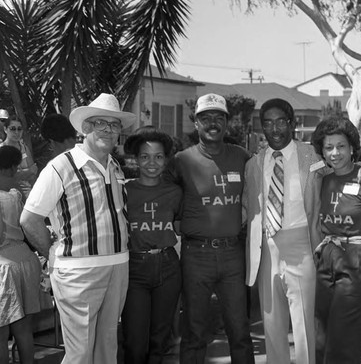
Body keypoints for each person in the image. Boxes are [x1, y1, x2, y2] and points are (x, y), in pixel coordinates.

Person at [243, 98, 361, 364]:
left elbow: (342, 165)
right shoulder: (253, 164)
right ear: (261, 127)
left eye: (281, 121)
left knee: (307, 326)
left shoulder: (313, 156)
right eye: (268, 123)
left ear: (292, 123)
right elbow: (247, 207)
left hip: (304, 246)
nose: (275, 128)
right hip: (267, 249)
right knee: (271, 324)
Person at [20, 93, 136, 364]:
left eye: (114, 125)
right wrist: (53, 253)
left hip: (118, 266)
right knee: (80, 353)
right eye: (100, 123)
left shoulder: (114, 165)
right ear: (85, 128)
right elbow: (29, 219)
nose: (108, 130)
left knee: (107, 348)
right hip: (77, 272)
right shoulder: (60, 166)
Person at [165, 93, 254, 363]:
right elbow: (163, 196)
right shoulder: (181, 160)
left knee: (239, 331)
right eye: (206, 118)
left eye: (219, 117)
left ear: (227, 123)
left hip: (233, 255)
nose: (212, 123)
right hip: (196, 256)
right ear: (196, 123)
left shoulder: (242, 156)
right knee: (194, 331)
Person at [310, 117, 361, 364]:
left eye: (341, 146)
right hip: (327, 256)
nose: (335, 153)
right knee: (321, 336)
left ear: (352, 147)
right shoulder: (323, 179)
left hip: (358, 258)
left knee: (345, 338)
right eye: (328, 147)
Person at [121, 128, 182, 364]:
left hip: (168, 267)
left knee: (160, 340)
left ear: (166, 160)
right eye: (145, 156)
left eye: (158, 156)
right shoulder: (123, 190)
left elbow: (180, 224)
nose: (151, 163)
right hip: (134, 268)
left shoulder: (175, 192)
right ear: (135, 159)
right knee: (135, 342)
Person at [0, 145, 41, 364]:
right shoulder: (15, 194)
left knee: (1, 334)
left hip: (5, 264)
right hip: (26, 258)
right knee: (24, 330)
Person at [0, 116, 38, 198]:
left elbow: (34, 171)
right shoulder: (1, 150)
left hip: (29, 193)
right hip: (7, 194)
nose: (16, 132)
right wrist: (27, 172)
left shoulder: (24, 148)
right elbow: (3, 176)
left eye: (19, 129)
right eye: (13, 129)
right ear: (5, 129)